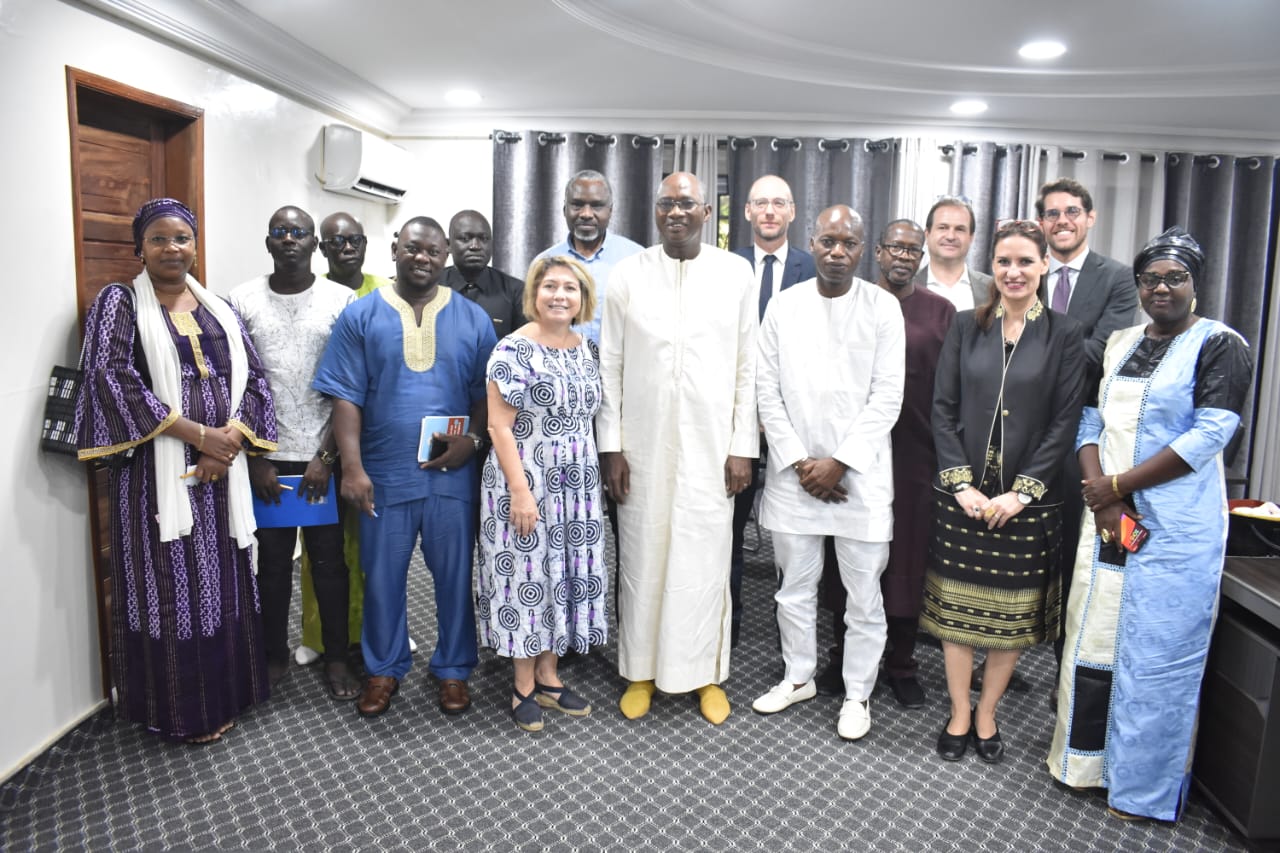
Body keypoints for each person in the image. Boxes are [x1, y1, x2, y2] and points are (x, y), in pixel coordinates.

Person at [1047, 227, 1252, 821]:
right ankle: (1082, 765)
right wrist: (1102, 495)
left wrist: (1118, 487)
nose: (1161, 288)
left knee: (1157, 658)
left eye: (1174, 278)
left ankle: (1141, 789)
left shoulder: (1220, 344)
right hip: (1110, 523)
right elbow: (1089, 421)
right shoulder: (1118, 342)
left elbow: (1211, 433)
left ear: (1195, 283)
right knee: (1094, 640)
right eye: (1150, 279)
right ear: (1137, 286)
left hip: (1174, 532)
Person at [75, 198, 278, 744]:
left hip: (222, 477)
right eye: (160, 239)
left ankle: (227, 693)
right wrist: (198, 436)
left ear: (195, 244)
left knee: (227, 582)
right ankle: (183, 709)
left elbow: (255, 379)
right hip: (154, 485)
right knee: (171, 590)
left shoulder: (218, 306)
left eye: (182, 238)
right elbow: (111, 378)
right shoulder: (118, 303)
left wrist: (227, 441)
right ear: (138, 247)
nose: (172, 248)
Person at [313, 216, 496, 718]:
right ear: (395, 249)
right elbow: (345, 397)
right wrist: (350, 467)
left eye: (434, 252)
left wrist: (473, 441)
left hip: (450, 474)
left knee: (455, 576)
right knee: (382, 577)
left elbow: (486, 393)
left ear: (446, 257)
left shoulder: (472, 318)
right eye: (414, 248)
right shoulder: (362, 316)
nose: (423, 258)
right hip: (383, 474)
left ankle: (454, 669)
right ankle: (384, 669)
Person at [922, 219, 1085, 764]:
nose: (1013, 272)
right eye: (1002, 262)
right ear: (990, 268)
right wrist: (960, 484)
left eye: (1024, 262)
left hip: (1025, 506)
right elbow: (941, 410)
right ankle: (959, 711)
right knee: (957, 619)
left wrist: (1022, 494)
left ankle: (987, 711)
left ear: (1044, 267)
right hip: (963, 499)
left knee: (1008, 621)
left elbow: (1065, 422)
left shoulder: (1065, 333)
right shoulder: (967, 325)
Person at [598, 172, 757, 725]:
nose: (675, 211)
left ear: (707, 212)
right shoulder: (628, 275)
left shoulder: (737, 274)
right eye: (665, 202)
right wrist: (611, 448)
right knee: (641, 556)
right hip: (641, 444)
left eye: (686, 203)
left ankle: (705, 674)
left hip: (714, 448)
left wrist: (743, 447)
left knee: (705, 559)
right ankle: (640, 671)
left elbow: (746, 367)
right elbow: (610, 365)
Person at [750, 206, 904, 741]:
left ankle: (858, 693)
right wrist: (800, 462)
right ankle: (799, 678)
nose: (838, 252)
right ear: (811, 243)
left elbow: (888, 396)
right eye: (828, 242)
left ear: (864, 250)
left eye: (850, 243)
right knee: (793, 589)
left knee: (864, 598)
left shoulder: (883, 308)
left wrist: (838, 462)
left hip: (858, 479)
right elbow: (764, 390)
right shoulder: (784, 306)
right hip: (795, 479)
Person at [230, 205, 358, 700]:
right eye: (279, 232)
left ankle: (338, 658)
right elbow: (235, 385)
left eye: (298, 232)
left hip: (325, 456)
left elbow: (350, 386)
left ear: (314, 244)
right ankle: (273, 654)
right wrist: (255, 455)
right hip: (266, 457)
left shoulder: (342, 300)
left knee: (329, 563)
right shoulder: (240, 301)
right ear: (268, 243)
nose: (289, 239)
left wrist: (327, 459)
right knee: (273, 564)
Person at [478, 256, 606, 732]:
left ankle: (550, 677)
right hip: (525, 482)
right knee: (527, 579)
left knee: (565, 577)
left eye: (569, 288)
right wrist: (520, 490)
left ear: (583, 298)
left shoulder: (584, 348)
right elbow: (498, 426)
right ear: (533, 294)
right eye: (549, 286)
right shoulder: (512, 350)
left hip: (576, 487)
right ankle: (522, 686)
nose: (559, 295)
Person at [1035, 178, 1138, 686]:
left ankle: (1064, 670)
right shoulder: (1023, 269)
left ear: (1090, 218)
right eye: (1052, 214)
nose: (1062, 221)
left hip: (1082, 437)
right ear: (1041, 224)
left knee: (1073, 552)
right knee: (1017, 549)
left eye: (1071, 211)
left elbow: (1106, 352)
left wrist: (1032, 362)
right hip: (1019, 433)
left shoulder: (1118, 279)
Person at [293, 211, 392, 668]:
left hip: (379, 438)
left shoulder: (388, 293)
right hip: (318, 437)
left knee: (379, 544)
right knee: (322, 550)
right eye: (335, 241)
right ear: (321, 248)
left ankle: (384, 630)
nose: (345, 247)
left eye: (353, 239)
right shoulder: (310, 295)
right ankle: (318, 633)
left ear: (366, 243)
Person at [729, 174, 816, 647]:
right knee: (730, 531)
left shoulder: (813, 267)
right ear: (746, 211)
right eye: (760, 202)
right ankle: (731, 626)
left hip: (795, 424)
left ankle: (793, 639)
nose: (768, 211)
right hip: (734, 421)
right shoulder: (725, 266)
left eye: (778, 203)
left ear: (792, 212)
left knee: (795, 537)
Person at [537, 169, 645, 346]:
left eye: (596, 206)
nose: (586, 214)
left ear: (610, 211)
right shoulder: (544, 262)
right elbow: (536, 324)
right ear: (565, 210)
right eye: (577, 205)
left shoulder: (637, 258)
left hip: (620, 370)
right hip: (561, 369)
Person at [443, 209, 526, 337]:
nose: (475, 246)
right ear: (448, 245)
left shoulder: (515, 291)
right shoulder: (432, 287)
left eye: (484, 239)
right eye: (465, 238)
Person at [914, 196, 993, 312]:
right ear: (927, 234)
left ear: (971, 237)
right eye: (943, 228)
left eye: (960, 229)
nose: (951, 236)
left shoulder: (993, 289)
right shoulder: (906, 286)